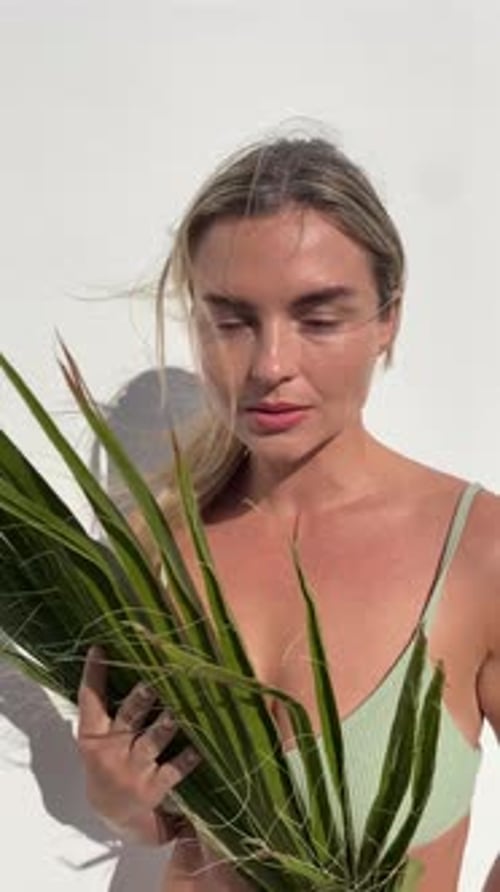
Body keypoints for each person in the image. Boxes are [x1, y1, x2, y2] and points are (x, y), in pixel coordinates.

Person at [76, 134, 500, 891]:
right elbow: (175, 832)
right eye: (231, 321)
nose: (271, 365)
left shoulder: (477, 549)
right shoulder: (162, 550)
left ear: (387, 320)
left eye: (319, 317)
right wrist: (118, 802)